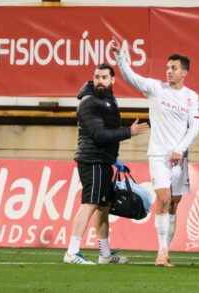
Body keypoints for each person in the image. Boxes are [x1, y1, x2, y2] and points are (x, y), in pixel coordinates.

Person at [111, 37, 199, 267]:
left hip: (179, 158)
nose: (169, 71)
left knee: (174, 203)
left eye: (174, 68)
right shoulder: (156, 88)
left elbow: (195, 127)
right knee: (163, 198)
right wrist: (121, 58)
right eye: (167, 68)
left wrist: (179, 150)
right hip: (158, 156)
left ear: (184, 73)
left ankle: (166, 251)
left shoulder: (192, 97)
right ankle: (161, 253)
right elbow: (131, 77)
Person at [64, 63, 149, 265]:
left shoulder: (109, 100)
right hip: (92, 160)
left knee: (104, 206)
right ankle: (72, 252)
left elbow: (106, 135)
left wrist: (114, 159)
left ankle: (105, 254)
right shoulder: (89, 102)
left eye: (103, 77)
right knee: (90, 204)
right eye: (96, 77)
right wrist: (130, 132)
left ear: (112, 80)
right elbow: (99, 134)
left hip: (103, 160)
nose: (99, 80)